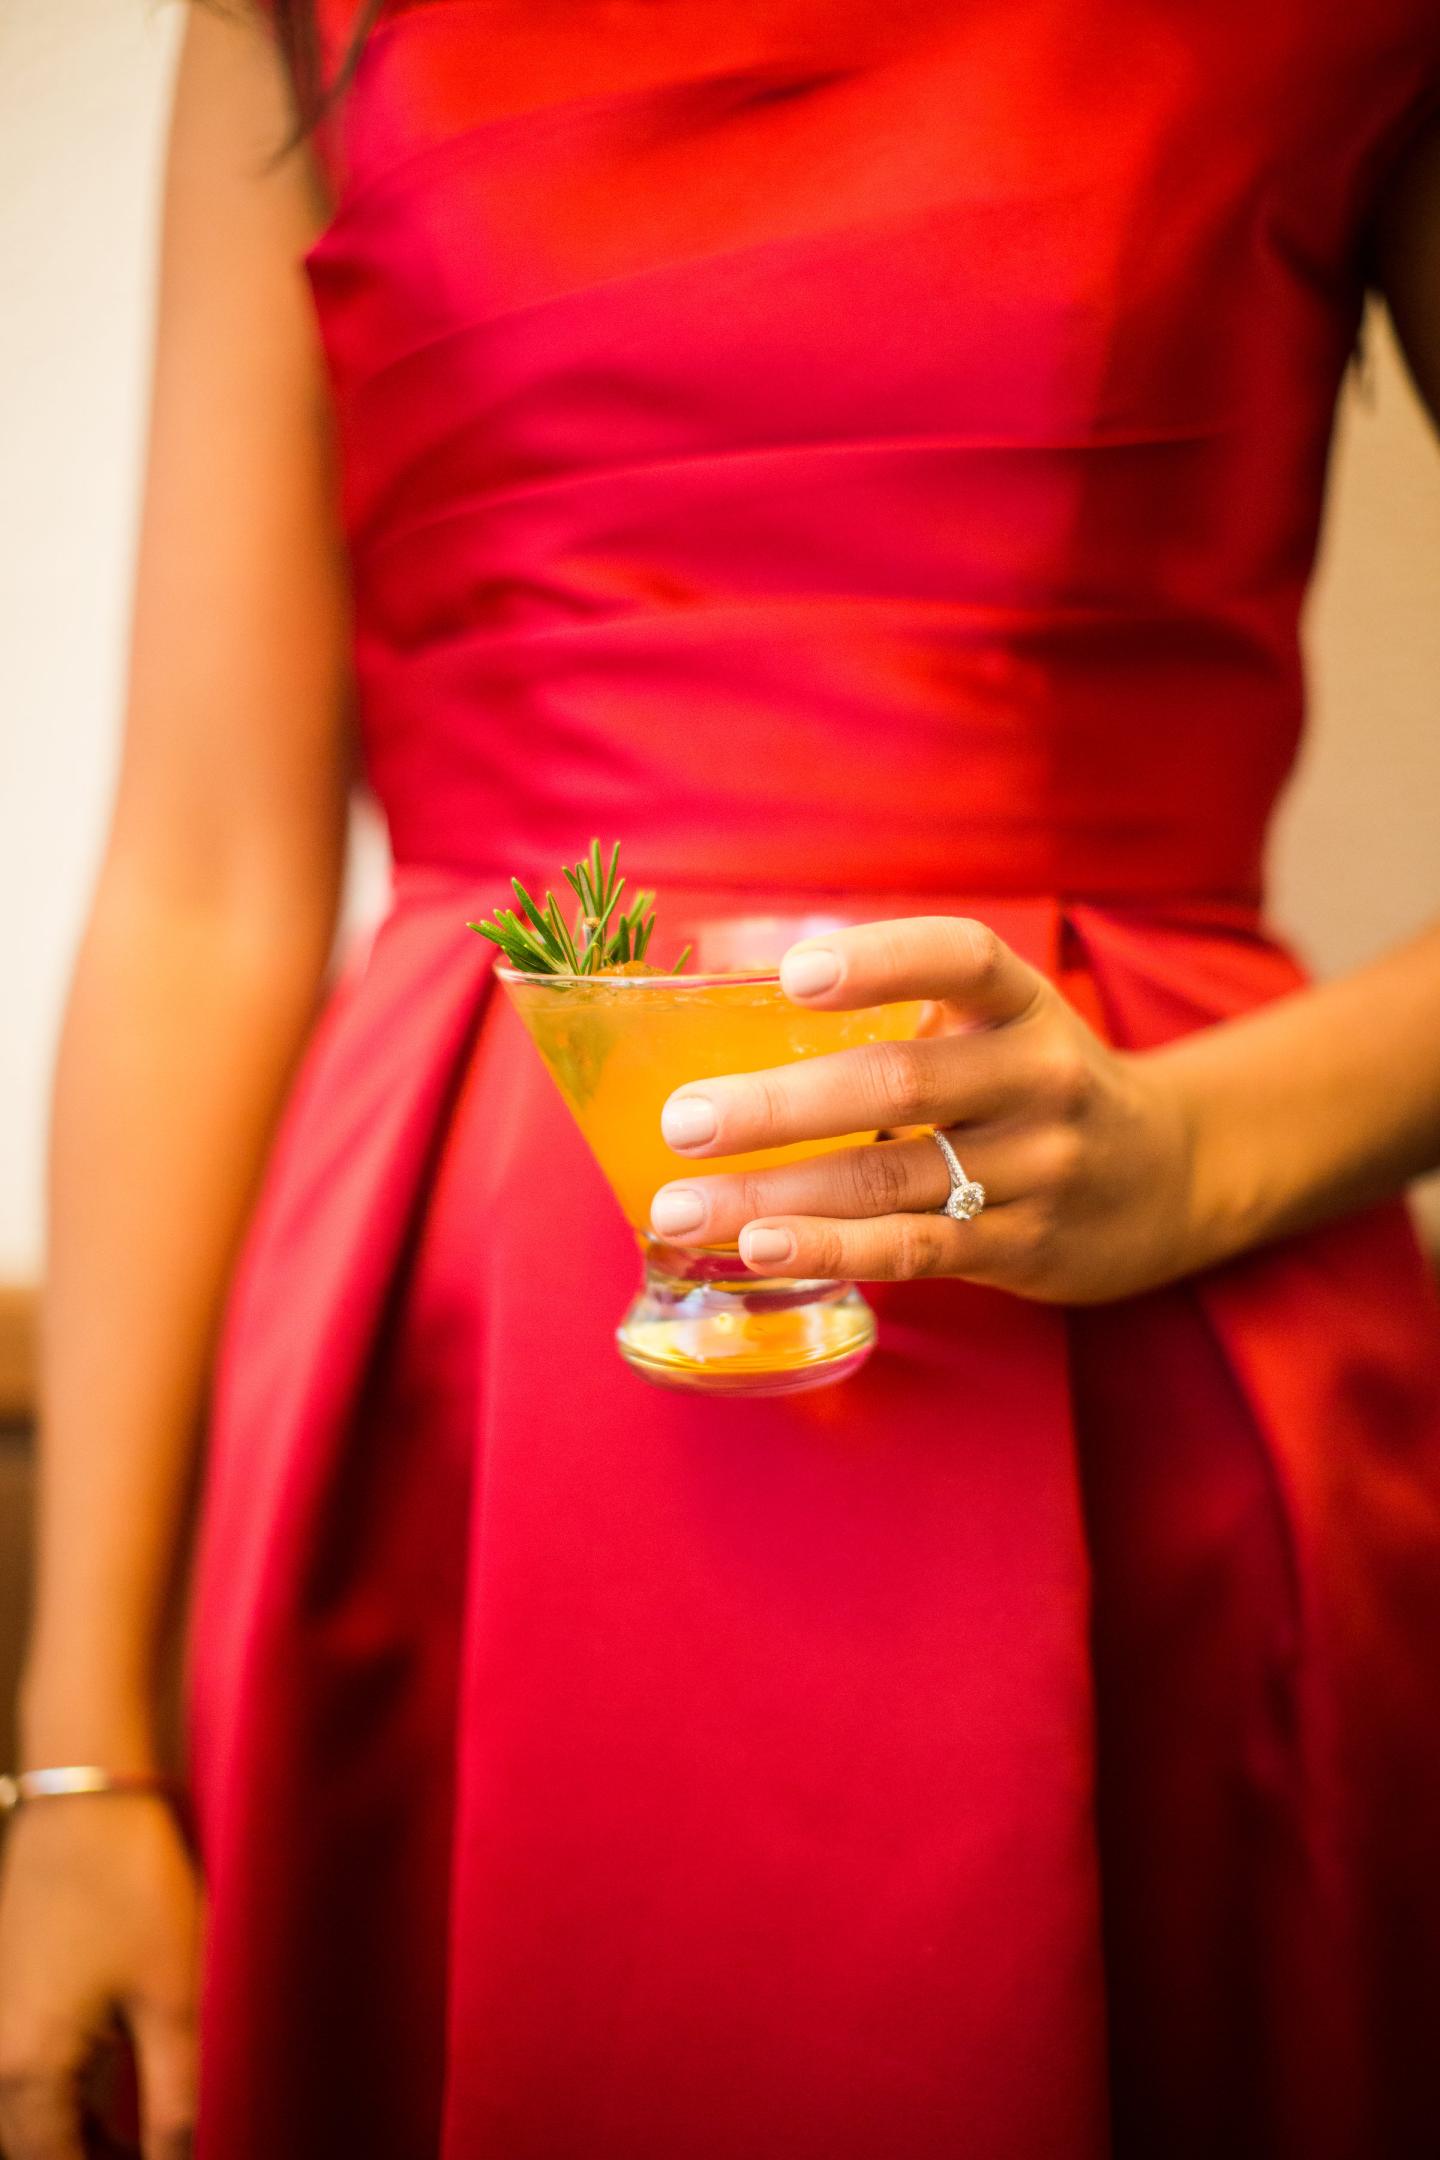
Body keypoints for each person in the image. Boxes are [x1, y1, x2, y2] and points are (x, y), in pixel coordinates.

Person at [3, 1, 1440, 2153]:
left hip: (1156, 1381)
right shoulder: (295, 13)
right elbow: (205, 877)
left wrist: (1196, 1154)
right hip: (450, 1413)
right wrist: (79, 1756)